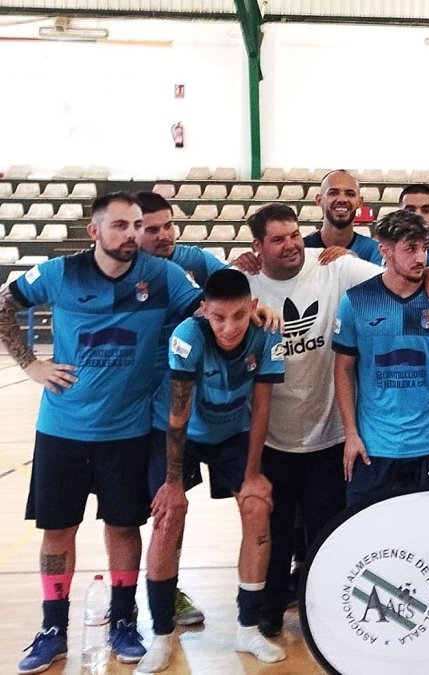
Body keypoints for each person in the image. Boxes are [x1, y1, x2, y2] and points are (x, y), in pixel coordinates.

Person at [2, 193, 204, 672]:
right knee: (57, 532)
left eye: (137, 225)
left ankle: (123, 621)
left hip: (128, 430)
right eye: (119, 226)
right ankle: (53, 628)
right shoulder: (59, 273)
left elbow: (206, 312)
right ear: (94, 232)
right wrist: (31, 364)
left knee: (123, 527)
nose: (132, 234)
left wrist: (250, 303)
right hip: (62, 430)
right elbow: (2, 305)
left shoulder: (162, 276)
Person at [239, 202, 384, 636]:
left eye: (294, 234)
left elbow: (397, 278)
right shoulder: (244, 284)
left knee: (326, 531)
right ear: (258, 247)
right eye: (278, 239)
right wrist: (232, 269)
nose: (291, 245)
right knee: (274, 530)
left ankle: (323, 608)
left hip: (329, 436)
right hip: (269, 438)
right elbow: (203, 304)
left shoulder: (333, 269)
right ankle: (266, 607)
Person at [138, 269, 286, 672]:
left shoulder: (268, 335)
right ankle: (162, 633)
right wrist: (172, 484)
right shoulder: (188, 336)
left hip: (231, 433)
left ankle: (248, 627)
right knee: (168, 518)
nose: (229, 326)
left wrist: (253, 474)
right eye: (219, 317)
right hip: (179, 434)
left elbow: (262, 409)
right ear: (204, 310)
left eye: (239, 316)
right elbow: (178, 412)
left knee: (257, 508)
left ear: (253, 308)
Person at [135, 191, 227, 628]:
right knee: (152, 510)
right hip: (146, 412)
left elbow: (234, 290)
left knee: (176, 506)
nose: (164, 235)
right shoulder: (122, 272)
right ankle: (136, 595)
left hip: (203, 410)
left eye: (168, 225)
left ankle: (167, 594)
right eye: (152, 229)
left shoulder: (195, 260)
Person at [333, 210, 429, 508]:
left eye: (424, 248)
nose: (420, 258)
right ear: (385, 251)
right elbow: (342, 371)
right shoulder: (356, 301)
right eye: (410, 249)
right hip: (373, 448)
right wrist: (351, 435)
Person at [303, 169, 382, 263]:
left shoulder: (374, 250)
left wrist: (354, 263)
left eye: (350, 194)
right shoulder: (302, 248)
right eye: (333, 193)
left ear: (359, 202)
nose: (342, 199)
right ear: (319, 200)